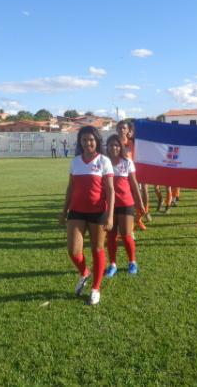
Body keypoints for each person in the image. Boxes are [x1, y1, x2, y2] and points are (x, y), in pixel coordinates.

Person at [59, 126, 114, 305]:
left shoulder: (104, 161)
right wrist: (63, 211)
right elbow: (70, 188)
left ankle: (95, 288)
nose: (87, 143)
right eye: (83, 140)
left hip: (98, 213)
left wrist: (110, 216)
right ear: (80, 142)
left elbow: (111, 190)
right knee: (73, 251)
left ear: (97, 141)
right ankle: (84, 272)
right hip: (76, 212)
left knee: (97, 250)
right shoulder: (75, 162)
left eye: (90, 139)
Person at [104, 134, 146, 277]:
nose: (114, 147)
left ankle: (132, 262)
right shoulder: (103, 162)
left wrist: (140, 202)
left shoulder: (127, 162)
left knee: (126, 235)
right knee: (111, 236)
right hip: (108, 205)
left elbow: (134, 184)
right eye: (111, 145)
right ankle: (112, 264)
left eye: (116, 145)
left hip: (126, 203)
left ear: (120, 147)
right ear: (107, 147)